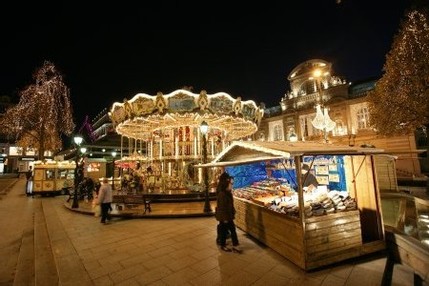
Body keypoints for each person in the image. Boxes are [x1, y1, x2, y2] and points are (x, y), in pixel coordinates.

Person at [215, 172, 241, 253]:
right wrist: (225, 218)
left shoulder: (227, 193)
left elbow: (230, 205)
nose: (231, 185)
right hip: (225, 216)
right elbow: (222, 207)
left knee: (231, 230)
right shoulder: (222, 194)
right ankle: (224, 245)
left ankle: (235, 245)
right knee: (225, 230)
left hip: (228, 215)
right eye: (230, 184)